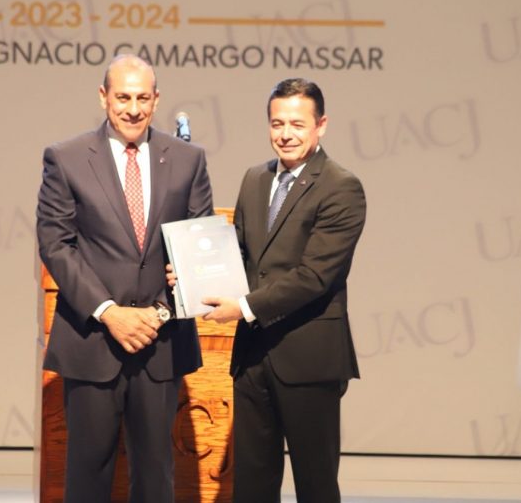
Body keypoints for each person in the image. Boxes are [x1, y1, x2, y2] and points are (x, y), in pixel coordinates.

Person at [36, 54, 213, 503]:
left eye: (142, 98)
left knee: (156, 477)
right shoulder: (66, 158)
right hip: (93, 340)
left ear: (156, 100)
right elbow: (56, 244)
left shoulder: (188, 159)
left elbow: (198, 249)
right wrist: (109, 312)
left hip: (161, 342)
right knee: (88, 476)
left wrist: (157, 314)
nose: (133, 109)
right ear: (104, 97)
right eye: (123, 97)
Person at [199, 77, 366, 503]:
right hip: (252, 356)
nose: (285, 134)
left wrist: (243, 307)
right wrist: (194, 275)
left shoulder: (341, 186)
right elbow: (240, 254)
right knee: (251, 485)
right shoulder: (255, 179)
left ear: (321, 125)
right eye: (277, 123)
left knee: (315, 484)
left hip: (308, 357)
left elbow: (315, 276)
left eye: (297, 124)